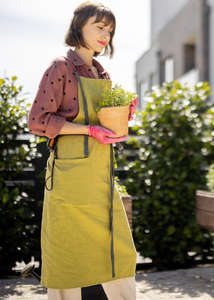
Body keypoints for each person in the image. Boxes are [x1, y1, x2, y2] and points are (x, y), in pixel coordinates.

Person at [28, 2, 138, 299]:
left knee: (119, 250)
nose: (106, 35)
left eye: (110, 30)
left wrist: (123, 114)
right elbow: (37, 121)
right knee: (69, 255)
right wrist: (88, 131)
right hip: (70, 180)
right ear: (79, 26)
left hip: (100, 180)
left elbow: (104, 127)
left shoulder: (101, 73)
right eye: (99, 26)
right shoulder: (60, 68)